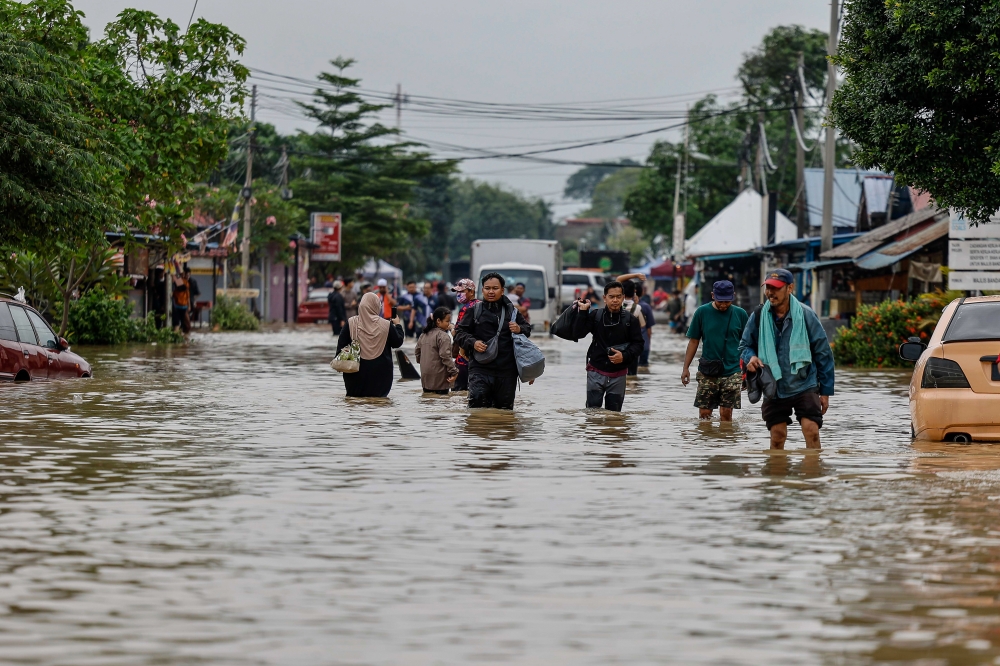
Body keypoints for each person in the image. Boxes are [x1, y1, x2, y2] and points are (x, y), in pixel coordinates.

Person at [739, 269, 834, 449]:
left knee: (812, 431)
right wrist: (751, 357)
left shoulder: (806, 315)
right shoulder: (758, 316)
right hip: (773, 385)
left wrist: (826, 392)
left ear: (790, 288)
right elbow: (744, 345)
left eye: (776, 288)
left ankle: (813, 475)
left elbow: (823, 353)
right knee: (777, 436)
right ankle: (777, 475)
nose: (770, 293)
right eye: (768, 288)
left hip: (804, 383)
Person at [453, 272, 531, 410]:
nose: (491, 291)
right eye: (487, 288)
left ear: (502, 290)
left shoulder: (511, 311)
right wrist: (473, 342)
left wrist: (519, 328)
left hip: (507, 372)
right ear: (482, 290)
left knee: (504, 414)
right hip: (480, 370)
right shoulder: (473, 311)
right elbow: (459, 333)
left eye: (495, 288)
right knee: (477, 412)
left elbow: (527, 329)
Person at [681, 280, 749, 422]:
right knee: (705, 416)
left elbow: (747, 344)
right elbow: (694, 341)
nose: (723, 305)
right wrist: (685, 368)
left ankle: (724, 442)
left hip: (733, 371)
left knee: (726, 416)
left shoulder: (741, 314)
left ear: (733, 297)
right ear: (713, 296)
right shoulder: (702, 312)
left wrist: (747, 373)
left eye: (727, 302)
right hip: (708, 371)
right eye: (720, 301)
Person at [572, 281, 645, 411]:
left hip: (619, 374)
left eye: (618, 296)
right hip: (595, 371)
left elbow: (639, 345)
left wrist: (624, 356)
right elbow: (578, 334)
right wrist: (583, 313)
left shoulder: (631, 320)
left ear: (623, 297)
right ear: (605, 298)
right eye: (611, 297)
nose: (615, 300)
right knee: (592, 413)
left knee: (614, 415)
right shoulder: (596, 316)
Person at [336, 292, 405, 398]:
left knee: (354, 403)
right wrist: (398, 325)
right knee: (379, 403)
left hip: (355, 373)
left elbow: (340, 350)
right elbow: (397, 342)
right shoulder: (386, 325)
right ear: (377, 306)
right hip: (381, 374)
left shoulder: (350, 323)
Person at [415, 306, 459, 394]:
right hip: (440, 379)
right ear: (438, 321)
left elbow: (417, 354)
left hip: (425, 378)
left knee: (428, 403)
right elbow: (445, 357)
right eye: (447, 321)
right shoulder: (444, 336)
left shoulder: (423, 335)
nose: (449, 324)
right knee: (441, 403)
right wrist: (454, 372)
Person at [451, 278, 479, 391]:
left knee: (459, 392)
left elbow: (458, 333)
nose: (459, 294)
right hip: (478, 357)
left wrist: (451, 328)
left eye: (462, 292)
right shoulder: (480, 305)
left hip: (463, 359)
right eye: (457, 292)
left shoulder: (465, 309)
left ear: (471, 292)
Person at [619, 279, 646, 376]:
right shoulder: (637, 308)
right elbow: (642, 324)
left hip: (616, 344)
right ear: (634, 292)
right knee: (631, 376)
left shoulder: (616, 305)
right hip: (631, 346)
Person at [636, 283, 655, 369]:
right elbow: (649, 329)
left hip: (627, 349)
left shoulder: (622, 306)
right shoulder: (646, 307)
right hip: (643, 345)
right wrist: (648, 344)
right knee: (643, 369)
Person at [171, 267, 191, 334]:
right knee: (178, 323)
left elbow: (187, 294)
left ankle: (182, 335)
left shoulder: (186, 282)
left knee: (184, 324)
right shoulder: (177, 279)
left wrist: (189, 305)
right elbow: (182, 288)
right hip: (177, 305)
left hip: (184, 305)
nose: (183, 274)